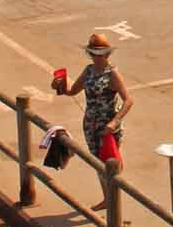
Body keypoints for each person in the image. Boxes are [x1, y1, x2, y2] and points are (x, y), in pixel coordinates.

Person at [55, 32, 133, 208]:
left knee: (109, 162)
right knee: (98, 164)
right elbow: (73, 90)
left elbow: (128, 100)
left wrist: (114, 122)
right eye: (93, 54)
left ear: (107, 54)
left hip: (108, 126)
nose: (97, 57)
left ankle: (113, 199)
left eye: (101, 54)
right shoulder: (88, 70)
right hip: (91, 125)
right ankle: (108, 198)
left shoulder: (112, 73)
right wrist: (60, 85)